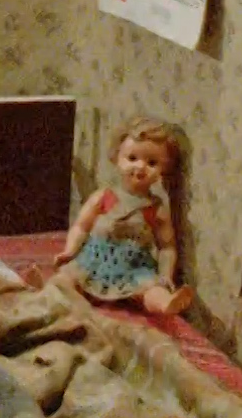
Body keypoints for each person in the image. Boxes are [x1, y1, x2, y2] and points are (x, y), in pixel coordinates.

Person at [51, 116, 194, 317]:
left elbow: (167, 247)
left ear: (164, 169)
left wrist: (165, 275)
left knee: (151, 288)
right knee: (67, 277)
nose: (140, 167)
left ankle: (165, 303)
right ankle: (51, 291)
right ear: (117, 157)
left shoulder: (156, 208)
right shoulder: (104, 196)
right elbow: (81, 226)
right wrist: (70, 250)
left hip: (134, 268)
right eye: (132, 158)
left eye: (152, 162)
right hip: (93, 263)